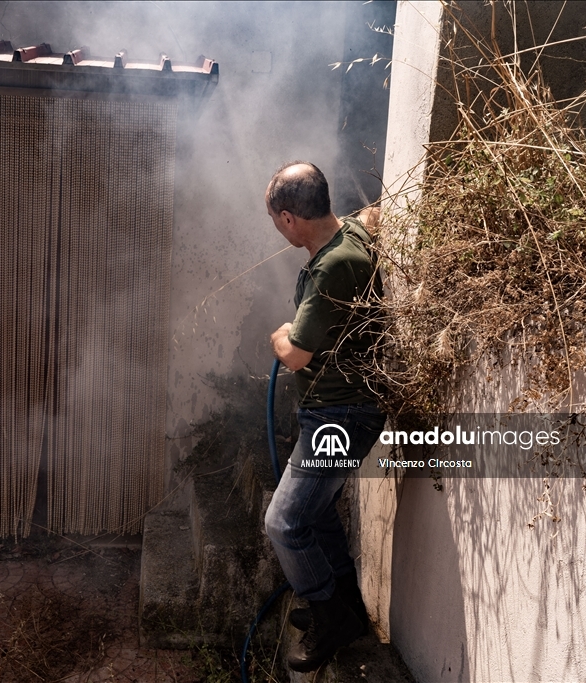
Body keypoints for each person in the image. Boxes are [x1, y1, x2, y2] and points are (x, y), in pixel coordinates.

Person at [263, 161, 386, 673]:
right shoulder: (348, 232)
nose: (277, 227)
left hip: (341, 416)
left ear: (290, 219)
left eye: (276, 219)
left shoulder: (332, 265)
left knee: (285, 523)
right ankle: (349, 610)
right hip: (338, 410)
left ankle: (329, 615)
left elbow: (294, 354)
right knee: (316, 514)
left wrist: (280, 334)